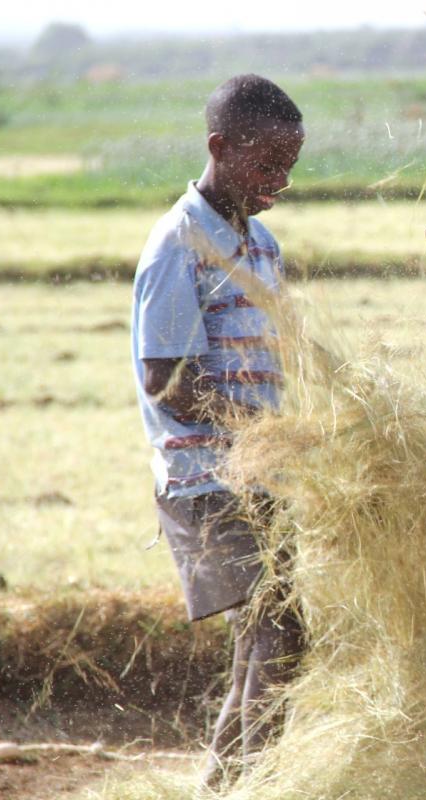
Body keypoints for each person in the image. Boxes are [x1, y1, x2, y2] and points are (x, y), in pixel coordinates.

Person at [130, 73, 305, 788]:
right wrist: (258, 424)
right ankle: (238, 784)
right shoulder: (180, 241)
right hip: (204, 479)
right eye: (267, 166)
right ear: (218, 147)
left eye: (289, 169)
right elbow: (164, 377)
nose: (279, 182)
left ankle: (226, 783)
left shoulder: (260, 243)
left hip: (259, 473)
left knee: (264, 643)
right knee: (283, 639)